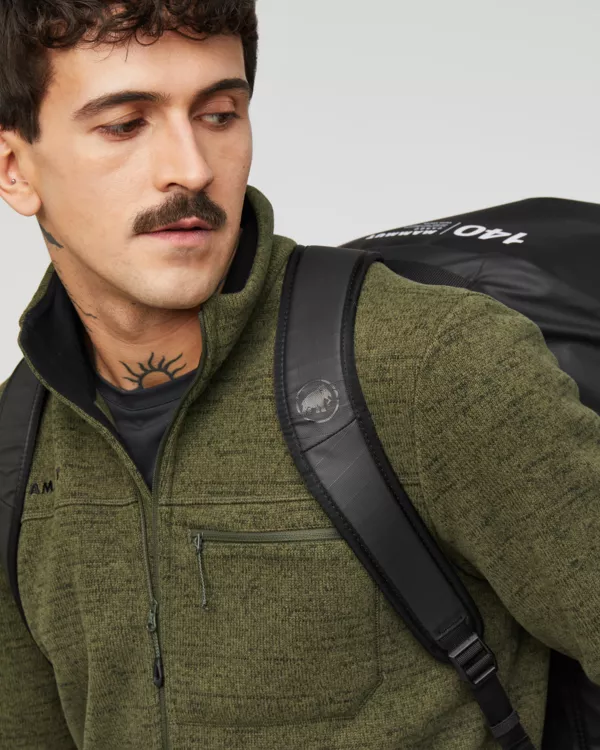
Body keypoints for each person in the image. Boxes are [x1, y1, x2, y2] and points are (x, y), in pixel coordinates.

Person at [0, 2, 599, 749]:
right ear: (15, 170)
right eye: (125, 124)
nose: (191, 167)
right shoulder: (18, 439)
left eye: (219, 115)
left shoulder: (432, 362)